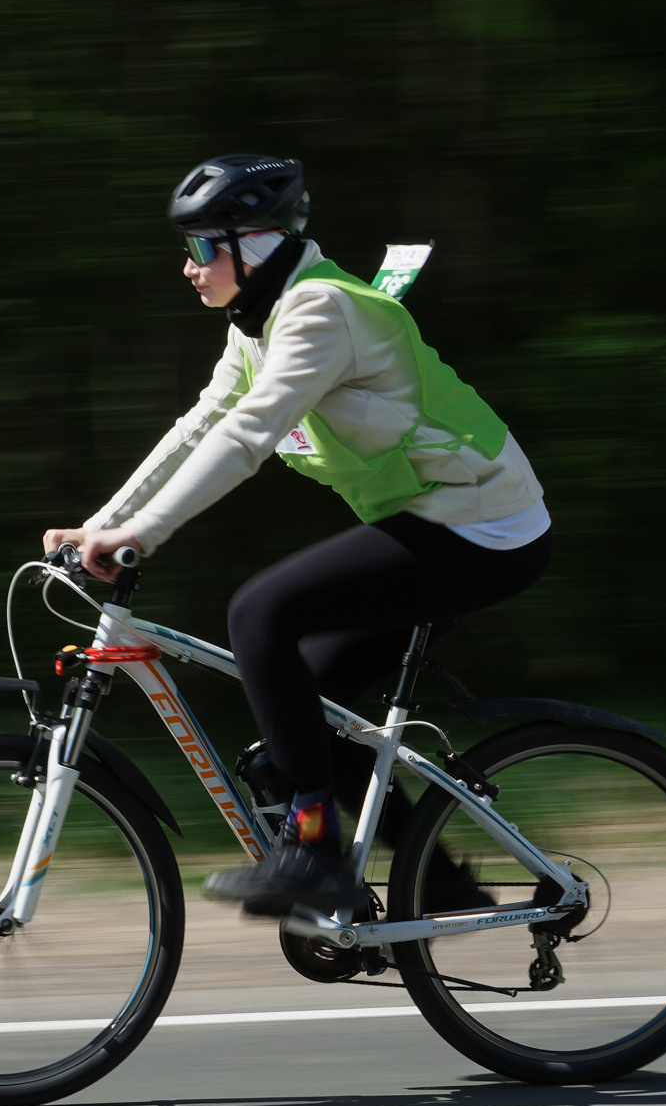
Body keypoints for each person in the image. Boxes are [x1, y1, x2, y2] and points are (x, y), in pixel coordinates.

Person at [40, 154, 552, 918]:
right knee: (311, 709)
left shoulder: (321, 312)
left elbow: (249, 434)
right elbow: (202, 422)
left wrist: (141, 536)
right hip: (437, 518)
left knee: (260, 613)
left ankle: (316, 856)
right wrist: (104, 523)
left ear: (255, 244)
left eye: (203, 247)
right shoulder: (260, 324)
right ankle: (437, 878)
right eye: (187, 250)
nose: (190, 267)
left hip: (485, 523)